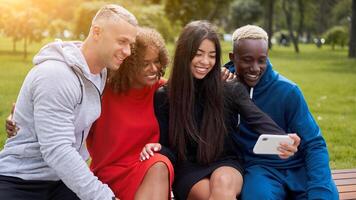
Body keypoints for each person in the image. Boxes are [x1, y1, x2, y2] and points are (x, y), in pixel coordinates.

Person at [141, 20, 300, 200]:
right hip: (189, 170)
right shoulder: (165, 96)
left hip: (227, 163)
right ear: (185, 54)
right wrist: (159, 147)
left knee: (223, 183)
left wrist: (285, 139)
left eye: (212, 55)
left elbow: (258, 119)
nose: (205, 61)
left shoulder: (229, 88)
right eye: (198, 54)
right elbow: (170, 148)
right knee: (213, 195)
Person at [0, 4, 137, 200]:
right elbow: (57, 150)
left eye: (130, 44)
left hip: (64, 181)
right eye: (122, 41)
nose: (128, 51)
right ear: (96, 32)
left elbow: (148, 69)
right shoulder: (55, 75)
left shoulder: (101, 72)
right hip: (21, 179)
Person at [224, 25, 338, 199]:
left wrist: (319, 187)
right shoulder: (223, 87)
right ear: (233, 57)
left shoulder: (288, 91)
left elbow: (314, 144)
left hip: (299, 166)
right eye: (247, 60)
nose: (255, 68)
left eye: (261, 60)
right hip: (260, 169)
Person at [86, 27, 174, 200]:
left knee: (160, 163)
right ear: (128, 63)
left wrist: (225, 77)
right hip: (107, 172)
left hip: (146, 166)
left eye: (157, 61)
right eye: (145, 63)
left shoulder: (163, 90)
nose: (154, 68)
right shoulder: (103, 91)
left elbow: (194, 94)